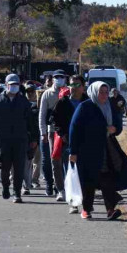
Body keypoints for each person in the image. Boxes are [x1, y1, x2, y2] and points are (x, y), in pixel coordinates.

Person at [69, 82, 127, 220]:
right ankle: (86, 209)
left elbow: (118, 124)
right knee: (89, 180)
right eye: (100, 92)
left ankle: (110, 210)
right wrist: (73, 151)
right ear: (94, 92)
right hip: (87, 149)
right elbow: (74, 129)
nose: (103, 95)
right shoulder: (85, 107)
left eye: (105, 92)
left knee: (106, 176)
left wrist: (115, 129)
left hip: (106, 148)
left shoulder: (110, 106)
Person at [0, 74, 38, 203]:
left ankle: (17, 193)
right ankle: (5, 187)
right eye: (12, 84)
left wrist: (34, 139)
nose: (14, 87)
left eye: (16, 84)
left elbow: (31, 122)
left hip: (21, 139)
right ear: (6, 84)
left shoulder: (24, 102)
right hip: (3, 139)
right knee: (5, 166)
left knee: (19, 167)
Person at [53, 75, 89, 213]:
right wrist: (62, 135)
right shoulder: (63, 103)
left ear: (83, 86)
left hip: (85, 143)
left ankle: (86, 203)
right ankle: (73, 203)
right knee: (71, 173)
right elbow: (55, 120)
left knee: (83, 174)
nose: (74, 88)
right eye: (72, 85)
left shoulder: (88, 103)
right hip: (68, 144)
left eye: (77, 85)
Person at [37, 70, 68, 197]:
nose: (59, 79)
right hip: (51, 132)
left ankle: (61, 185)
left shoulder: (68, 93)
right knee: (51, 160)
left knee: (64, 161)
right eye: (56, 77)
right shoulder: (47, 94)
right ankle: (51, 184)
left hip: (65, 132)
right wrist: (43, 132)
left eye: (61, 77)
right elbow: (42, 115)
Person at [22, 85, 41, 195]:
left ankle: (34, 180)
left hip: (37, 137)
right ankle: (26, 184)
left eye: (31, 91)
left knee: (37, 161)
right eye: (27, 91)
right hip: (25, 138)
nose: (29, 93)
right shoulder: (22, 104)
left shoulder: (39, 104)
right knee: (26, 162)